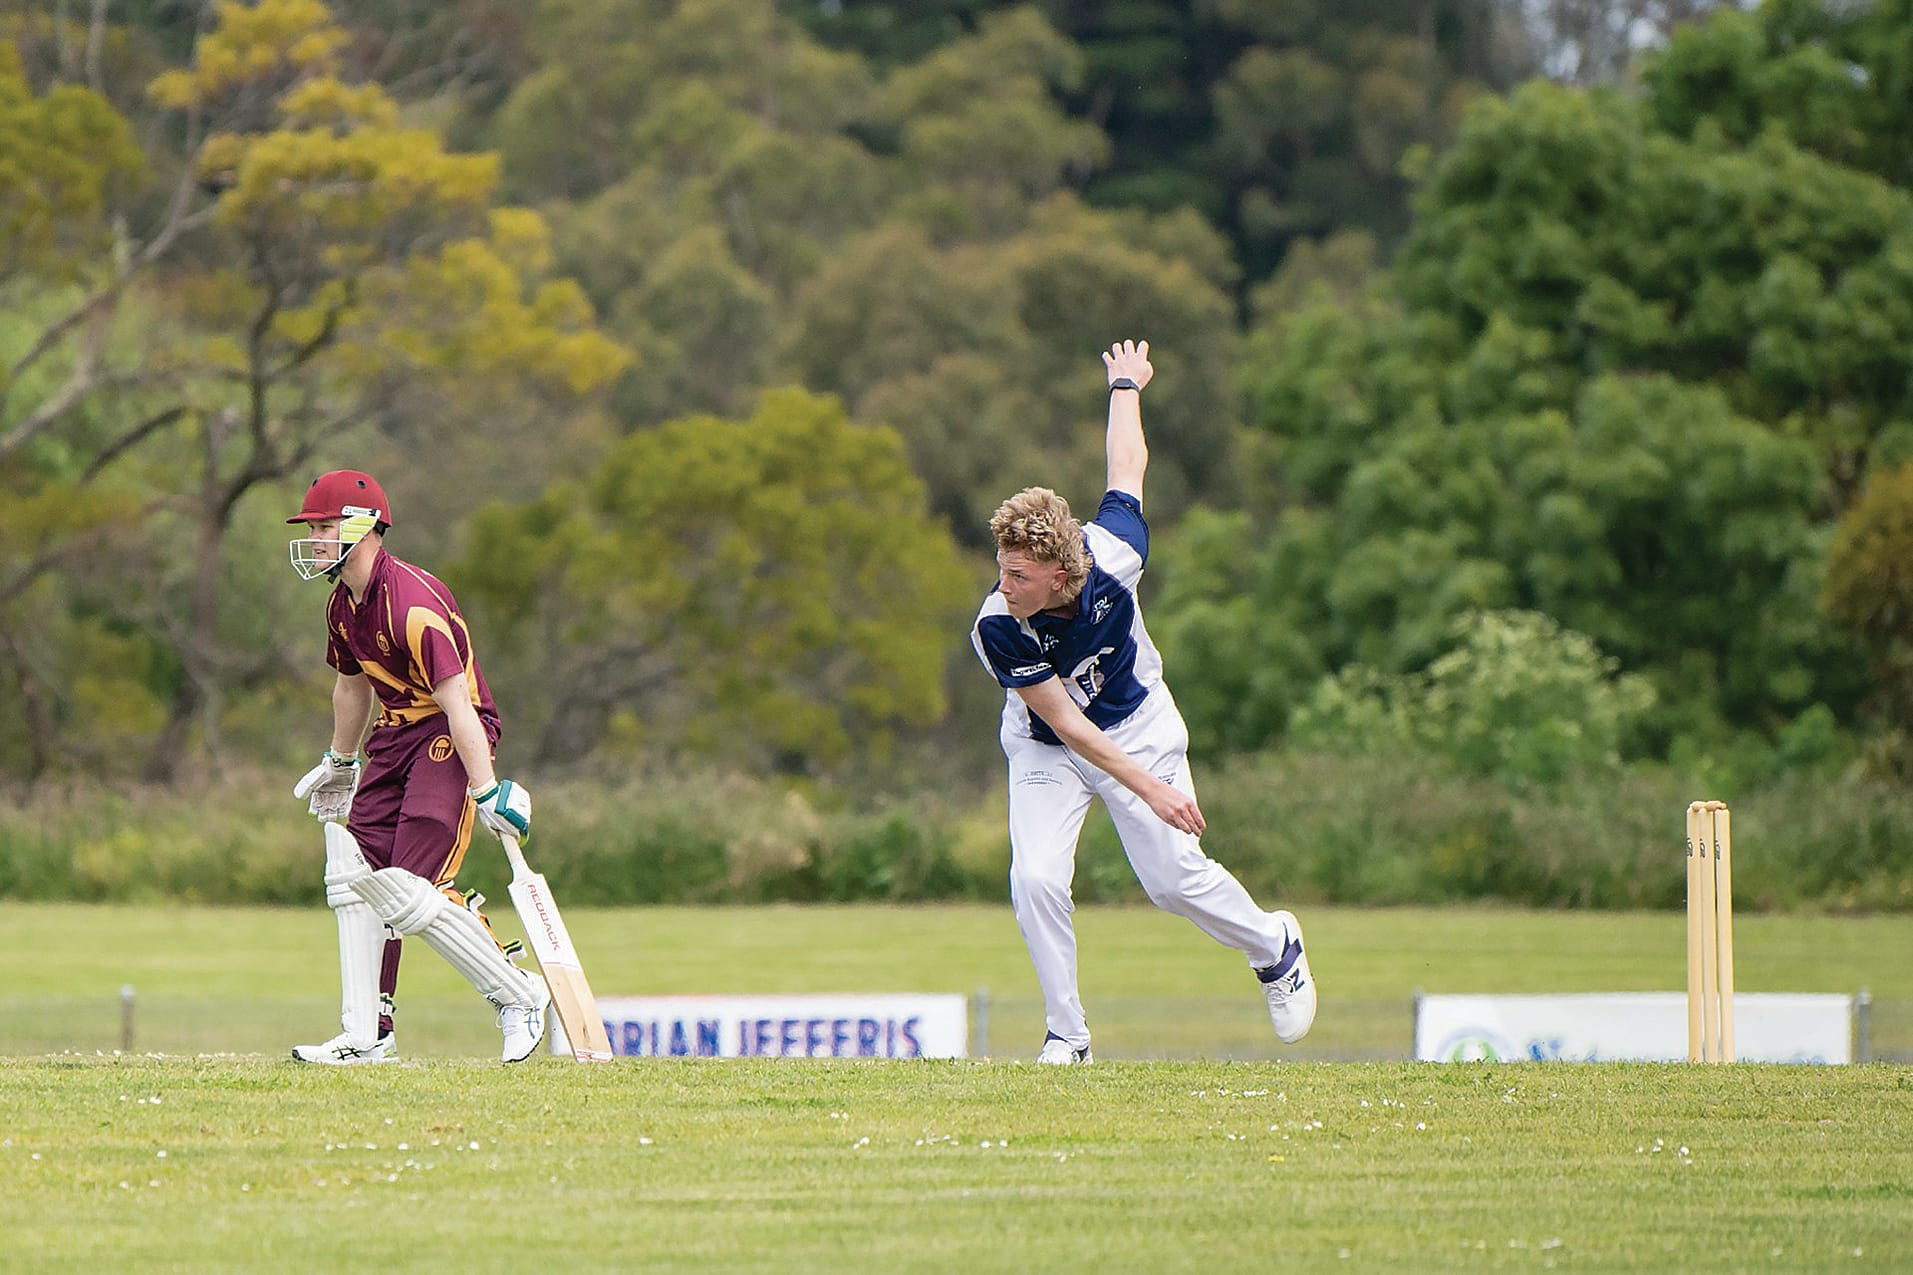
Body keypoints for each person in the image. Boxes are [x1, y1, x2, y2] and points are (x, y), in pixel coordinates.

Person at [970, 340, 1316, 1064]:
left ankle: (1275, 946)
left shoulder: (1112, 555)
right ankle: (1067, 1036)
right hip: (1048, 747)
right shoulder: (998, 626)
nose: (1002, 585)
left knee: (1171, 881)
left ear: (1062, 571)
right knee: (1034, 877)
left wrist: (1125, 383)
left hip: (1138, 721)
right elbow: (1063, 724)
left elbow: (1125, 469)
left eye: (1018, 574)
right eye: (999, 569)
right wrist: (1150, 790)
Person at [285, 469, 550, 1064]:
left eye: (326, 527)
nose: (317, 539)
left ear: (364, 527)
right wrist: (340, 760)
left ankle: (520, 996)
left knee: (413, 887)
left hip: (451, 733)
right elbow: (351, 688)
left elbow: (459, 701)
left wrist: (484, 790)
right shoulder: (341, 605)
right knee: (353, 871)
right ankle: (368, 1032)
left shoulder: (413, 604)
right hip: (395, 734)